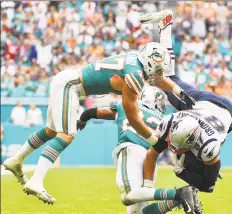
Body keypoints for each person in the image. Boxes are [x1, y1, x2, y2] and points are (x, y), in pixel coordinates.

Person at [3, 41, 195, 204]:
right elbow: (133, 117)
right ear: (150, 64)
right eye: (158, 69)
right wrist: (154, 141)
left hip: (66, 81)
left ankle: (16, 160)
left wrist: (180, 92)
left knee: (51, 131)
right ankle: (36, 181)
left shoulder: (134, 62)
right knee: (66, 135)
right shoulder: (134, 76)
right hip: (71, 86)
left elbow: (158, 80)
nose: (159, 74)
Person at [139, 9, 232, 214]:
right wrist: (147, 190)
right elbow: (153, 152)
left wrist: (180, 172)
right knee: (166, 80)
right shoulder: (171, 122)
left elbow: (209, 184)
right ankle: (165, 28)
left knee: (203, 181)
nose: (174, 149)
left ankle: (165, 28)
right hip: (203, 107)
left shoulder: (208, 147)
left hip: (223, 112)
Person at [77, 86, 197, 214]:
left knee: (127, 196)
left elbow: (92, 112)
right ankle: (178, 199)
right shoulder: (165, 120)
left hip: (131, 151)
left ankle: (178, 193)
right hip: (150, 161)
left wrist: (81, 121)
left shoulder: (128, 106)